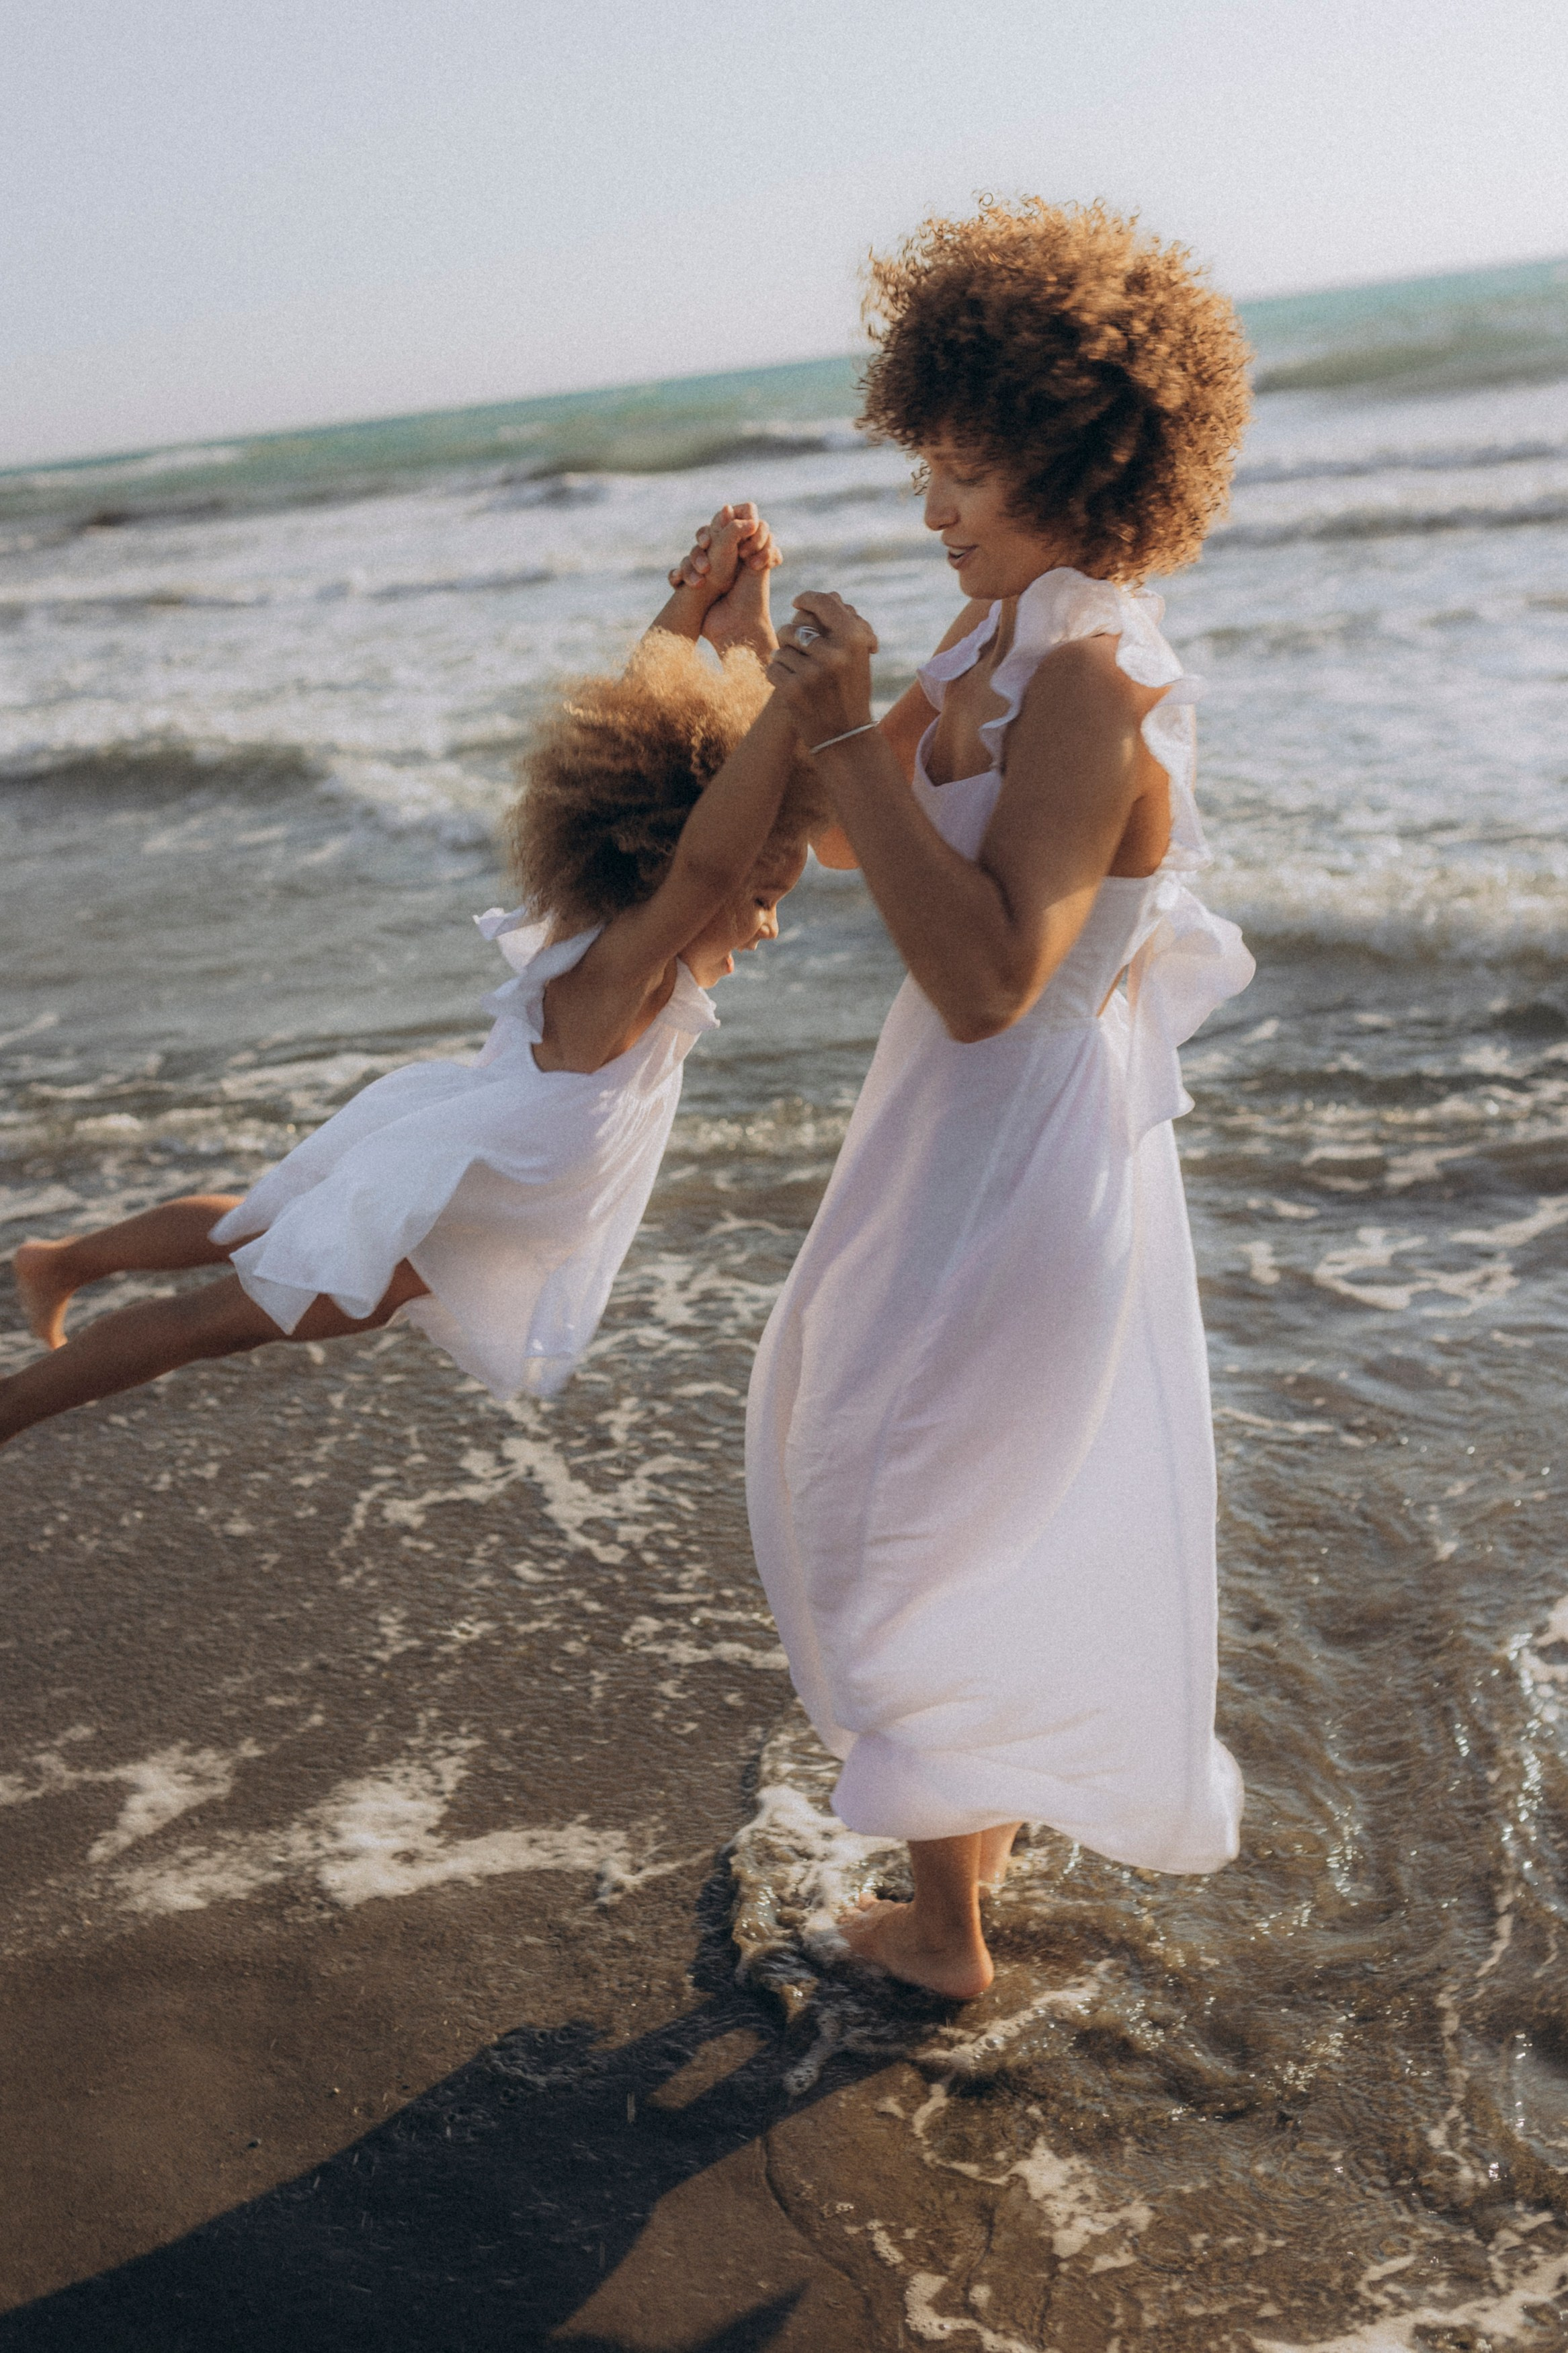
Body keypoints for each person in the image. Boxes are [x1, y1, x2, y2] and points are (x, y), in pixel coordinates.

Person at [684, 200, 1256, 1997]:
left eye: (967, 470)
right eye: (925, 462)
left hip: (1022, 1152)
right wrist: (766, 664)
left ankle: (945, 1937)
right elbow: (861, 847)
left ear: (1079, 460)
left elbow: (993, 974)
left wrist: (850, 729)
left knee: (895, 1504)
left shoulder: (1089, 676)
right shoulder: (998, 636)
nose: (934, 505)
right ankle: (960, 1882)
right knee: (915, 1485)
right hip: (945, 1129)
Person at [5, 506, 820, 1445]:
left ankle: (61, 1261)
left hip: (467, 1186)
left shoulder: (596, 912)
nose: (770, 925)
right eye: (765, 897)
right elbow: (710, 861)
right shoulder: (622, 975)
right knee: (221, 1317)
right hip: (458, 1190)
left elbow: (640, 722)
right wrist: (783, 692)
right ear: (678, 866)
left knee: (270, 1218)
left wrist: (706, 612)